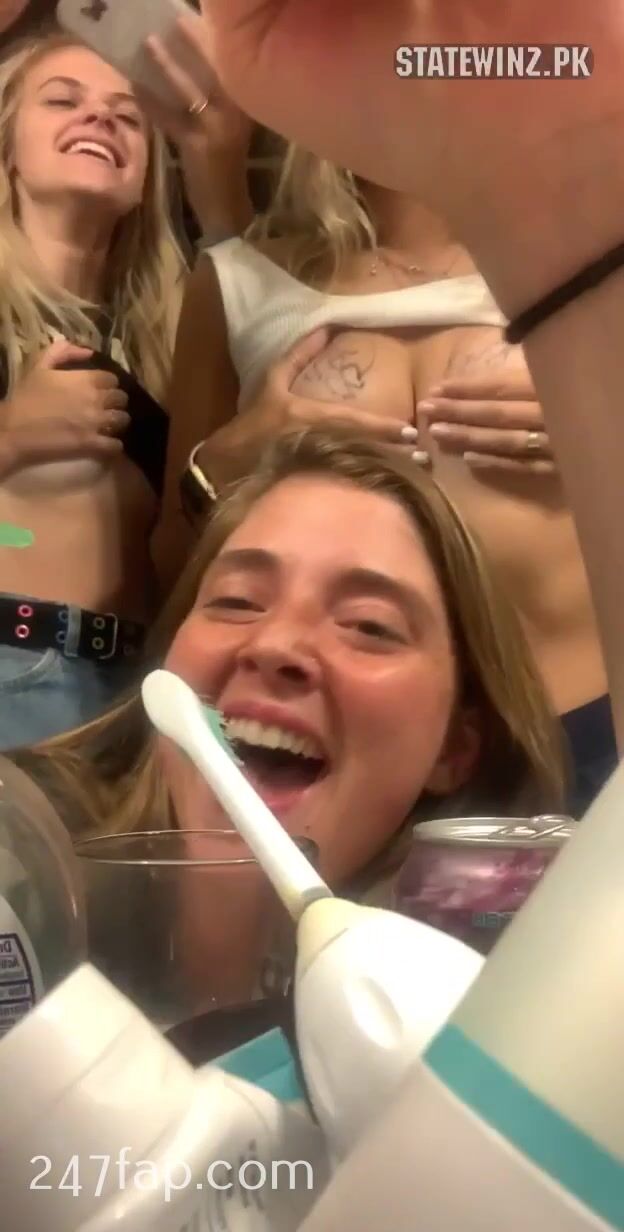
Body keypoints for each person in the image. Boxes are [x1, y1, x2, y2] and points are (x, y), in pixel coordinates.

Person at [157, 126, 611, 816]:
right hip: (325, 749)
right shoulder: (238, 279)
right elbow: (167, 565)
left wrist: (601, 431)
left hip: (582, 723)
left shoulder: (588, 261)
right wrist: (226, 459)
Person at [13, 430, 563, 899]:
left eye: (369, 625)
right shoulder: (18, 868)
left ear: (453, 749)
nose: (275, 645)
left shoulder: (507, 982)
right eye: (237, 601)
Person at [0, 23, 250, 748]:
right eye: (62, 100)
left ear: (149, 179)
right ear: (7, 148)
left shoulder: (180, 345)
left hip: (139, 697)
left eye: (129, 115)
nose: (99, 117)